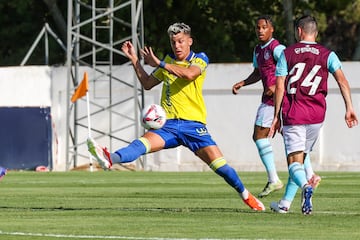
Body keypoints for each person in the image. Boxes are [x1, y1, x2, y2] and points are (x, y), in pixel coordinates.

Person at [87, 22, 265, 211]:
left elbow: (189, 75)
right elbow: (147, 83)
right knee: (140, 145)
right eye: (173, 42)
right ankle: (110, 158)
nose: (177, 46)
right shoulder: (167, 61)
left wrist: (161, 64)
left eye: (180, 41)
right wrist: (134, 60)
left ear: (190, 41)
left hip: (193, 126)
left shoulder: (199, 59)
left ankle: (246, 196)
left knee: (221, 167)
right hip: (168, 126)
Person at [268, 15, 358, 215]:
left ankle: (306, 186)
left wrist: (276, 116)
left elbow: (280, 86)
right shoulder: (328, 54)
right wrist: (349, 107)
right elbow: (342, 81)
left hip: (294, 113)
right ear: (315, 32)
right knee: (302, 158)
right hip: (317, 116)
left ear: (299, 31)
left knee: (294, 163)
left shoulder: (288, 53)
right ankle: (284, 204)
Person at [232, 15, 320, 198]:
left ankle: (275, 179)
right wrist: (243, 82)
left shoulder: (278, 48)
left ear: (272, 29)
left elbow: (292, 68)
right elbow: (258, 73)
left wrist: (279, 87)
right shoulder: (258, 50)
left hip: (278, 100)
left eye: (264, 27)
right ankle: (309, 175)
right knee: (292, 141)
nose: (260, 30)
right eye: (258, 27)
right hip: (270, 100)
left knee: (260, 135)